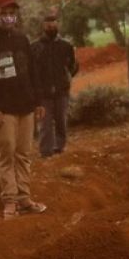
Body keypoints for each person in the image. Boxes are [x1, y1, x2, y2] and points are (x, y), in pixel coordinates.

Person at [0, 0, 47, 218]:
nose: (8, 18)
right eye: (4, 14)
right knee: (6, 153)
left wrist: (38, 101)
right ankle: (9, 201)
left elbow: (34, 72)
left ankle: (24, 198)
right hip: (3, 110)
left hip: (26, 107)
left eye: (11, 14)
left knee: (23, 154)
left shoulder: (22, 39)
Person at [30, 10, 78, 158]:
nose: (51, 27)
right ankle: (46, 151)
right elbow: (31, 71)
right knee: (45, 124)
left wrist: (66, 80)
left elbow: (73, 66)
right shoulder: (35, 47)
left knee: (61, 121)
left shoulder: (66, 46)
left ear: (58, 25)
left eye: (53, 24)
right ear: (43, 26)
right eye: (48, 25)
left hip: (61, 91)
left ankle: (59, 147)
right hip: (43, 93)